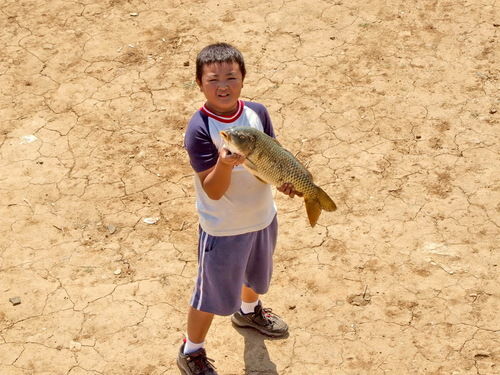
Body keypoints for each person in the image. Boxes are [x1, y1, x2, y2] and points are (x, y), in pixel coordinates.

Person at [178, 42, 300, 375]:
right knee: (210, 295)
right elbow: (213, 191)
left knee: (255, 275)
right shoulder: (200, 130)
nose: (223, 85)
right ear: (200, 83)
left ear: (243, 79)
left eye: (231, 77)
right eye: (213, 79)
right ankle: (192, 349)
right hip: (223, 228)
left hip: (262, 217)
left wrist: (284, 181)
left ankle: (248, 311)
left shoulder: (257, 113)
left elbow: (271, 160)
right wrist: (226, 165)